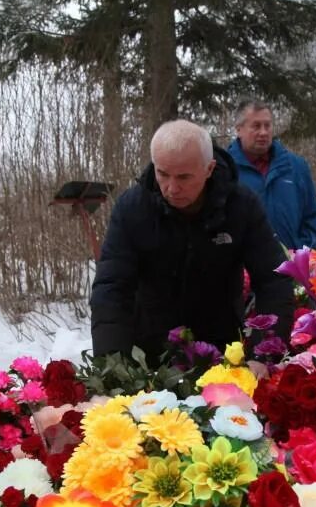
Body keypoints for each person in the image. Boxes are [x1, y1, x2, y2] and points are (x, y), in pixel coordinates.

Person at [90, 119, 295, 359]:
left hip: (220, 350)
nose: (171, 188)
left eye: (184, 177)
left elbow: (274, 281)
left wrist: (264, 354)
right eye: (163, 174)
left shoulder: (241, 206)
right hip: (148, 351)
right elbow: (112, 288)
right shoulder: (132, 209)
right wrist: (112, 363)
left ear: (209, 169)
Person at [228, 100, 316, 250]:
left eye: (267, 125)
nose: (263, 132)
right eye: (256, 126)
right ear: (239, 129)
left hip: (290, 266)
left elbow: (312, 216)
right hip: (240, 268)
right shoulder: (224, 169)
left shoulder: (296, 167)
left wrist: (303, 251)